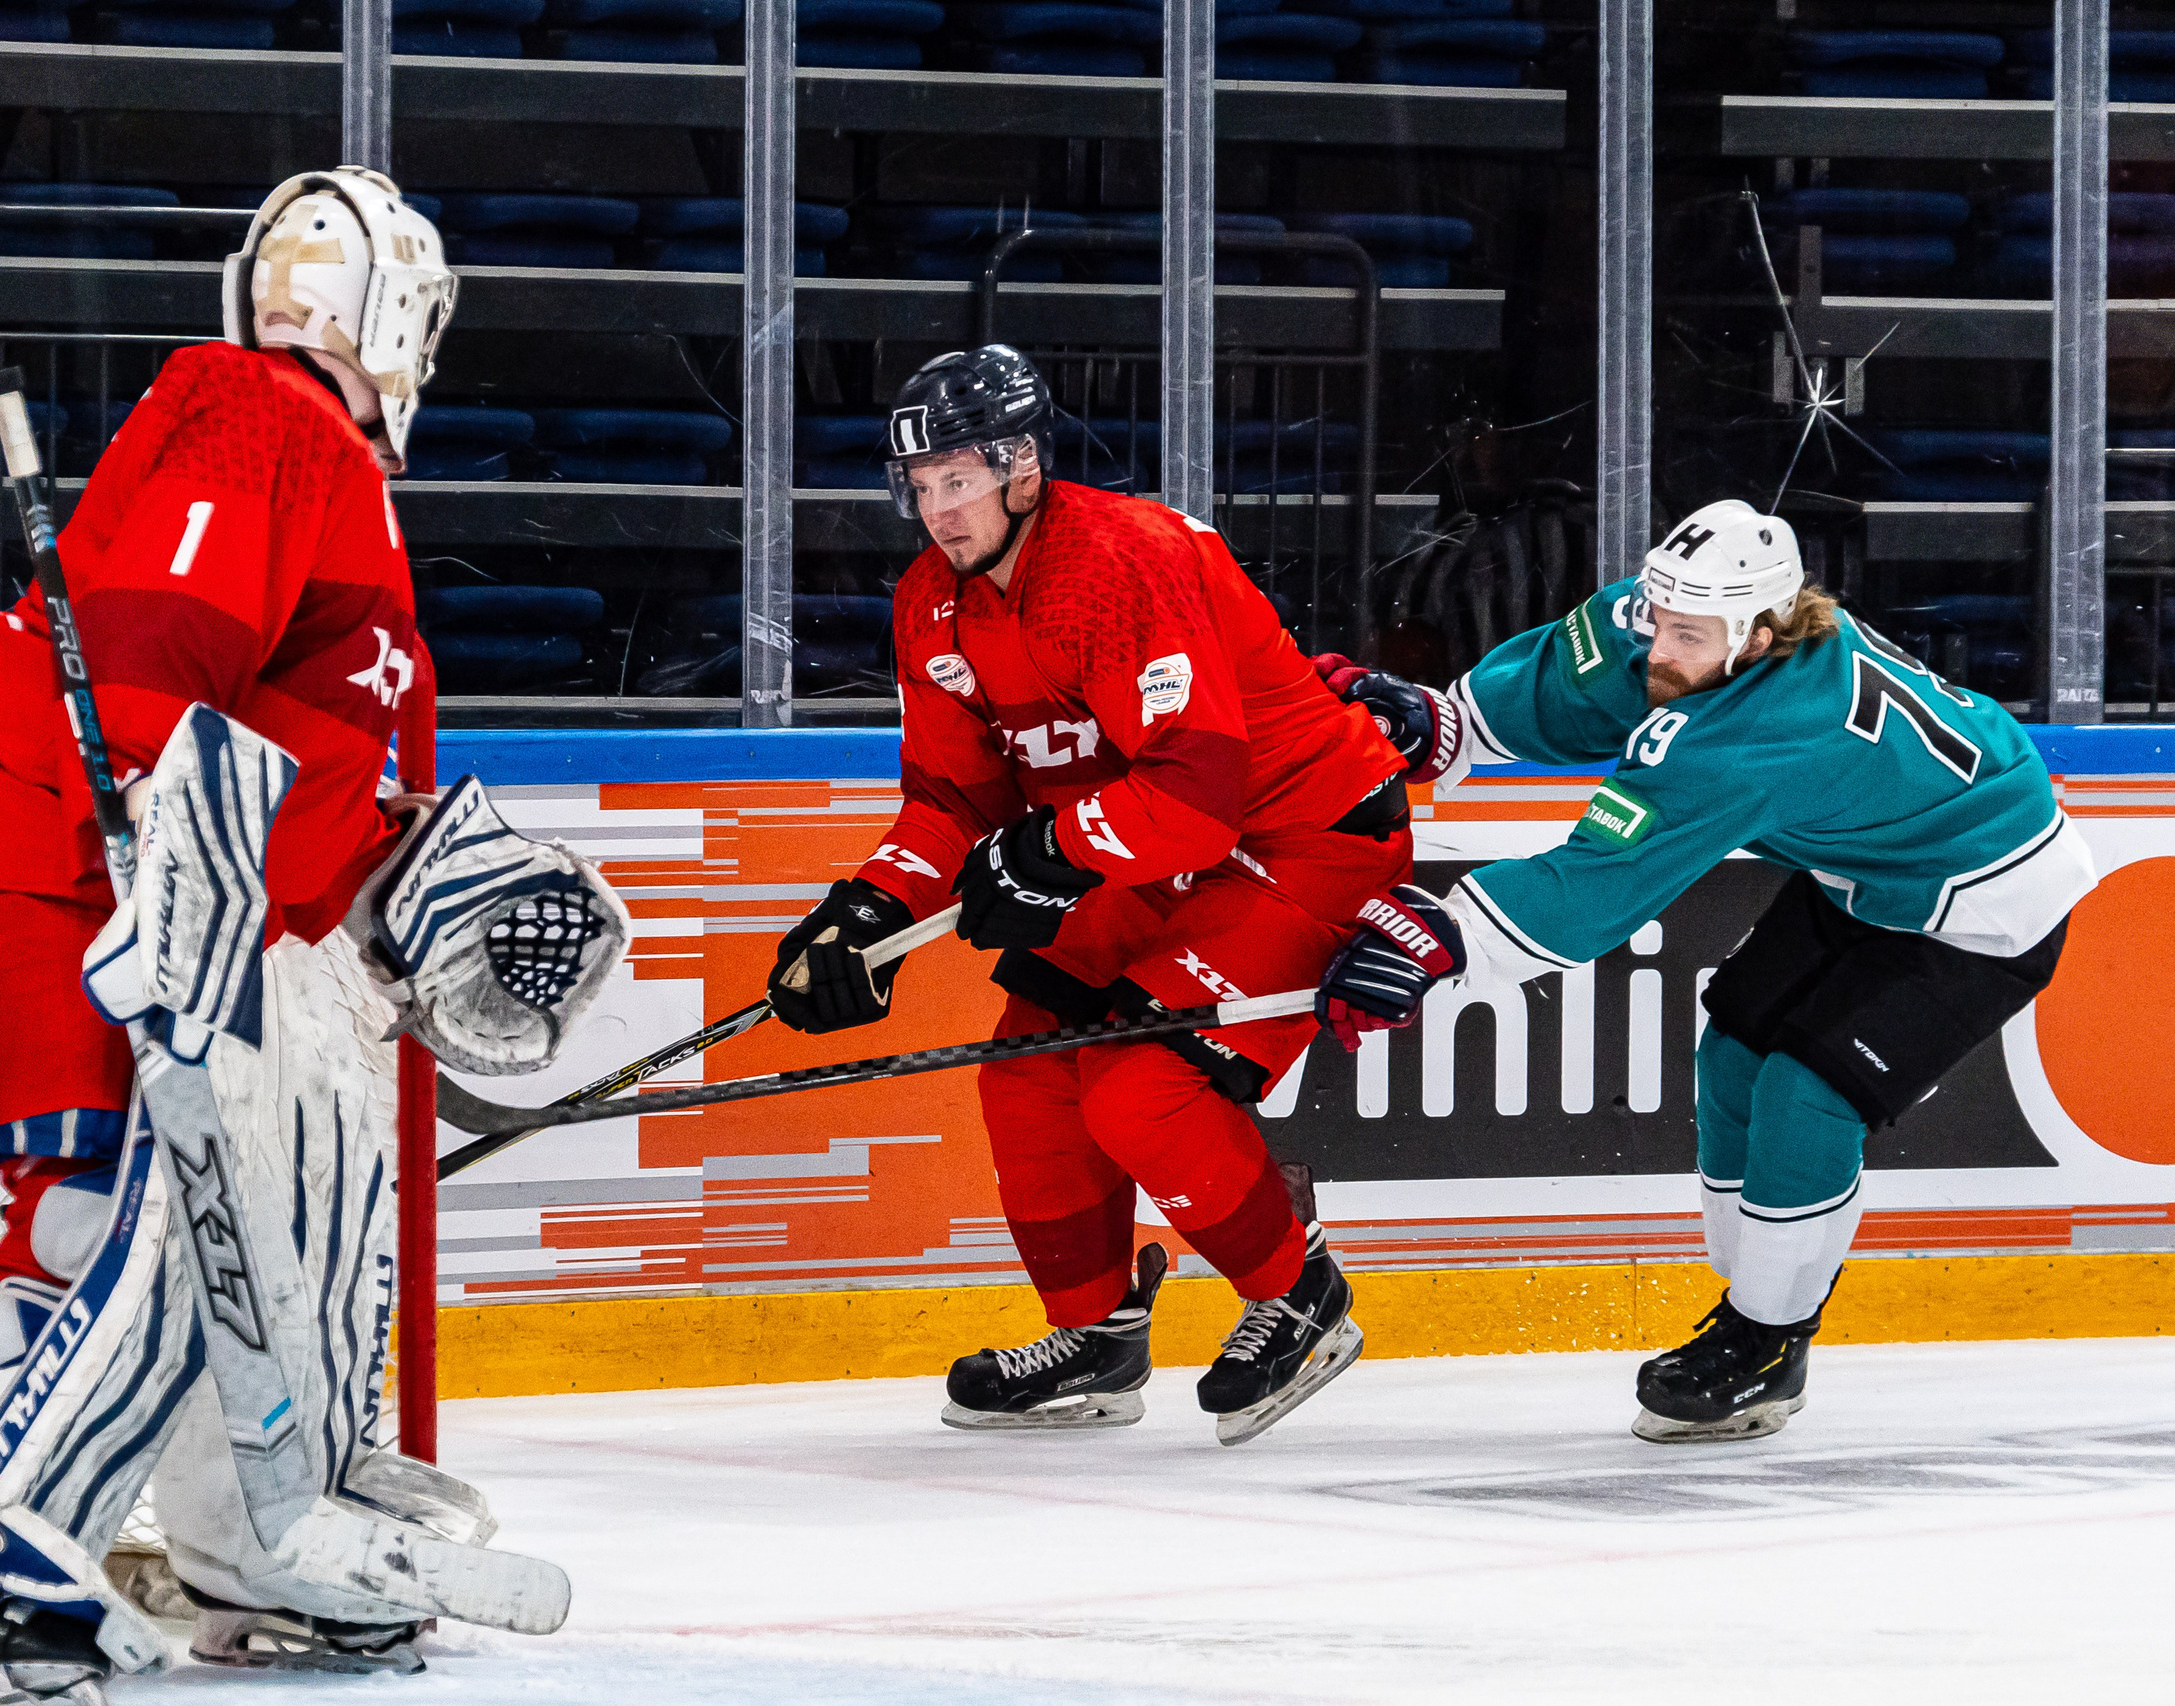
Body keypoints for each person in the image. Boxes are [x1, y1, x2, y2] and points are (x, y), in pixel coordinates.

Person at [0, 167, 487, 1702]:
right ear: (384, 310)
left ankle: (224, 1547)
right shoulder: (259, 408)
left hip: (130, 870)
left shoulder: (330, 463)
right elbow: (158, 642)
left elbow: (296, 752)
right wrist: (153, 818)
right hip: (56, 852)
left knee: (169, 1225)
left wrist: (393, 881)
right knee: (91, 1217)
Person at [766, 345, 1465, 1445]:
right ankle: (1095, 1336)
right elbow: (953, 799)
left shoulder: (1119, 558)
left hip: (1304, 837)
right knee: (1027, 1072)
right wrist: (868, 911)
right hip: (1150, 847)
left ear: (1022, 466)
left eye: (959, 479)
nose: (938, 510)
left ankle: (1299, 1293)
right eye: (921, 485)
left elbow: (1193, 791)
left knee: (1141, 1085)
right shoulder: (930, 603)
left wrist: (1046, 850)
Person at [1320, 498, 2095, 1443]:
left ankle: (1768, 1341)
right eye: (1660, 616)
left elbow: (1607, 876)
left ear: (1761, 635)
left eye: (1687, 635)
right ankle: (1751, 1303)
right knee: (1731, 1060)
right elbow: (1587, 668)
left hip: (1986, 906)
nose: (1661, 643)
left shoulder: (1766, 733)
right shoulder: (1702, 620)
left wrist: (1449, 937)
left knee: (1808, 1097)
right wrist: (1455, 724)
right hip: (1871, 874)